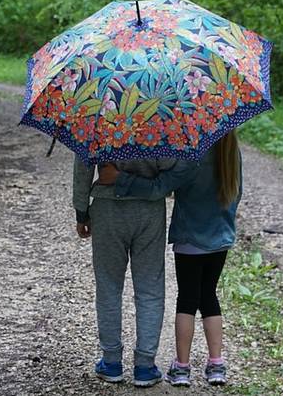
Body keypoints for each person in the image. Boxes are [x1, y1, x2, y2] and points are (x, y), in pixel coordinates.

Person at [97, 130, 242, 387]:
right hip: (220, 238)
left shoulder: (190, 155)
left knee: (187, 300)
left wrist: (120, 180)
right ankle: (216, 364)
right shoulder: (231, 153)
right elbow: (235, 194)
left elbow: (160, 187)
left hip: (189, 239)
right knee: (209, 296)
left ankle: (182, 367)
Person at [73, 155, 175, 387]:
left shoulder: (95, 119)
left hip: (108, 208)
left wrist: (81, 210)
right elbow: (171, 164)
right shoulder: (161, 121)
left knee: (109, 284)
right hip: (149, 208)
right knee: (150, 286)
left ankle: (111, 362)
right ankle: (145, 366)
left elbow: (82, 166)